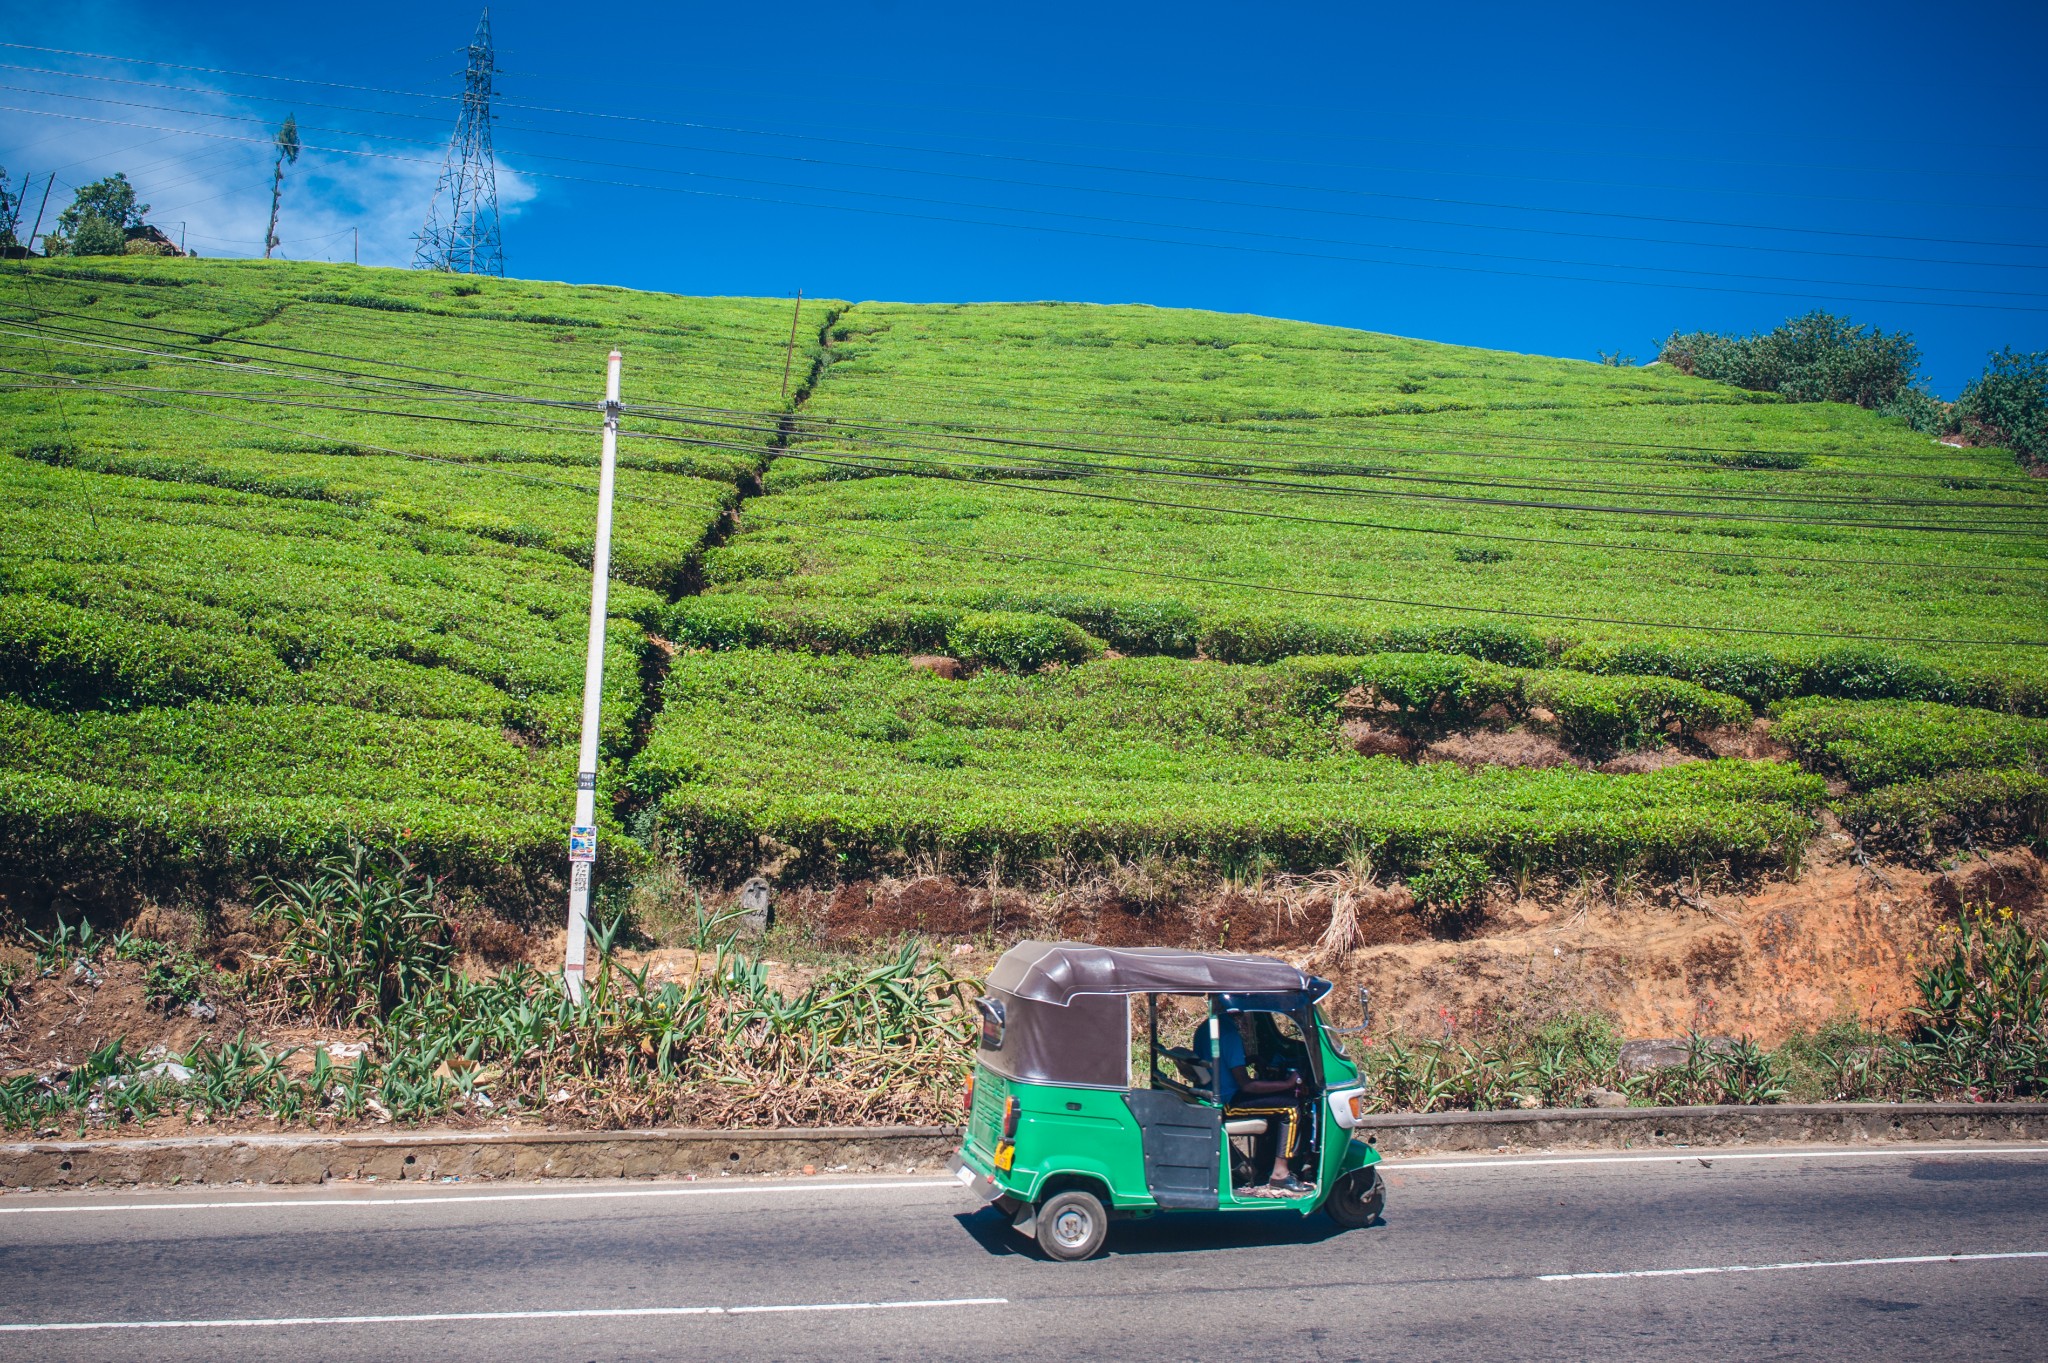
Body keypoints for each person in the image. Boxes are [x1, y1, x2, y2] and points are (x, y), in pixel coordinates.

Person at [1196, 998, 1311, 1195]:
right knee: (1290, 1108)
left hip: (1210, 1094)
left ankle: (1263, 1164)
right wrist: (1288, 1083)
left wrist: (1249, 1060)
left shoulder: (1206, 1027)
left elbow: (1222, 1061)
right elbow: (1247, 1085)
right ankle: (1280, 1175)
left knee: (1277, 1103)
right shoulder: (1230, 1034)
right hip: (1228, 1101)